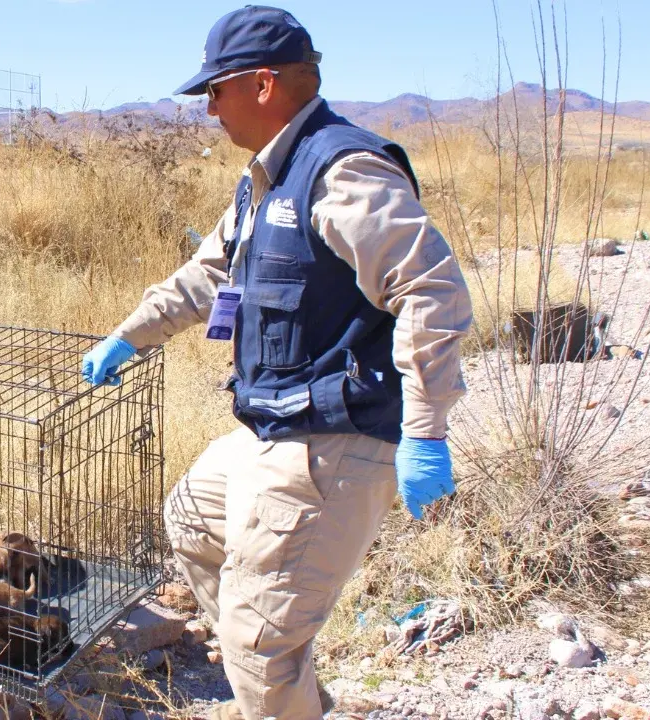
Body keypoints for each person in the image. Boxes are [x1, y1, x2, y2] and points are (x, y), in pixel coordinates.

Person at [80, 7, 472, 719]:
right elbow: (209, 277)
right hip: (273, 426)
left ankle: (269, 671)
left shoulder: (341, 171)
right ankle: (287, 690)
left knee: (257, 642)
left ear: (263, 86)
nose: (207, 109)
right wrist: (128, 336)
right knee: (194, 519)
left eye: (215, 91)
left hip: (331, 437)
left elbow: (430, 286)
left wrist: (428, 429)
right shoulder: (266, 179)